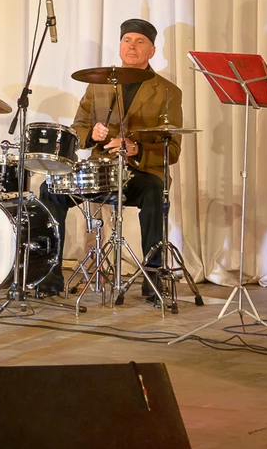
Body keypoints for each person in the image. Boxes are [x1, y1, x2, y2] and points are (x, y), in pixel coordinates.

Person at [36, 18, 183, 300]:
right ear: (119, 46)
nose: (132, 46)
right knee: (50, 189)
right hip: (101, 172)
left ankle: (153, 278)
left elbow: (173, 150)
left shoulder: (168, 92)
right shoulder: (98, 85)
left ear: (152, 51)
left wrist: (135, 148)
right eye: (127, 40)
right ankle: (49, 276)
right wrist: (92, 134)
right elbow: (78, 129)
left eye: (140, 42)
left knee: (155, 190)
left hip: (139, 174)